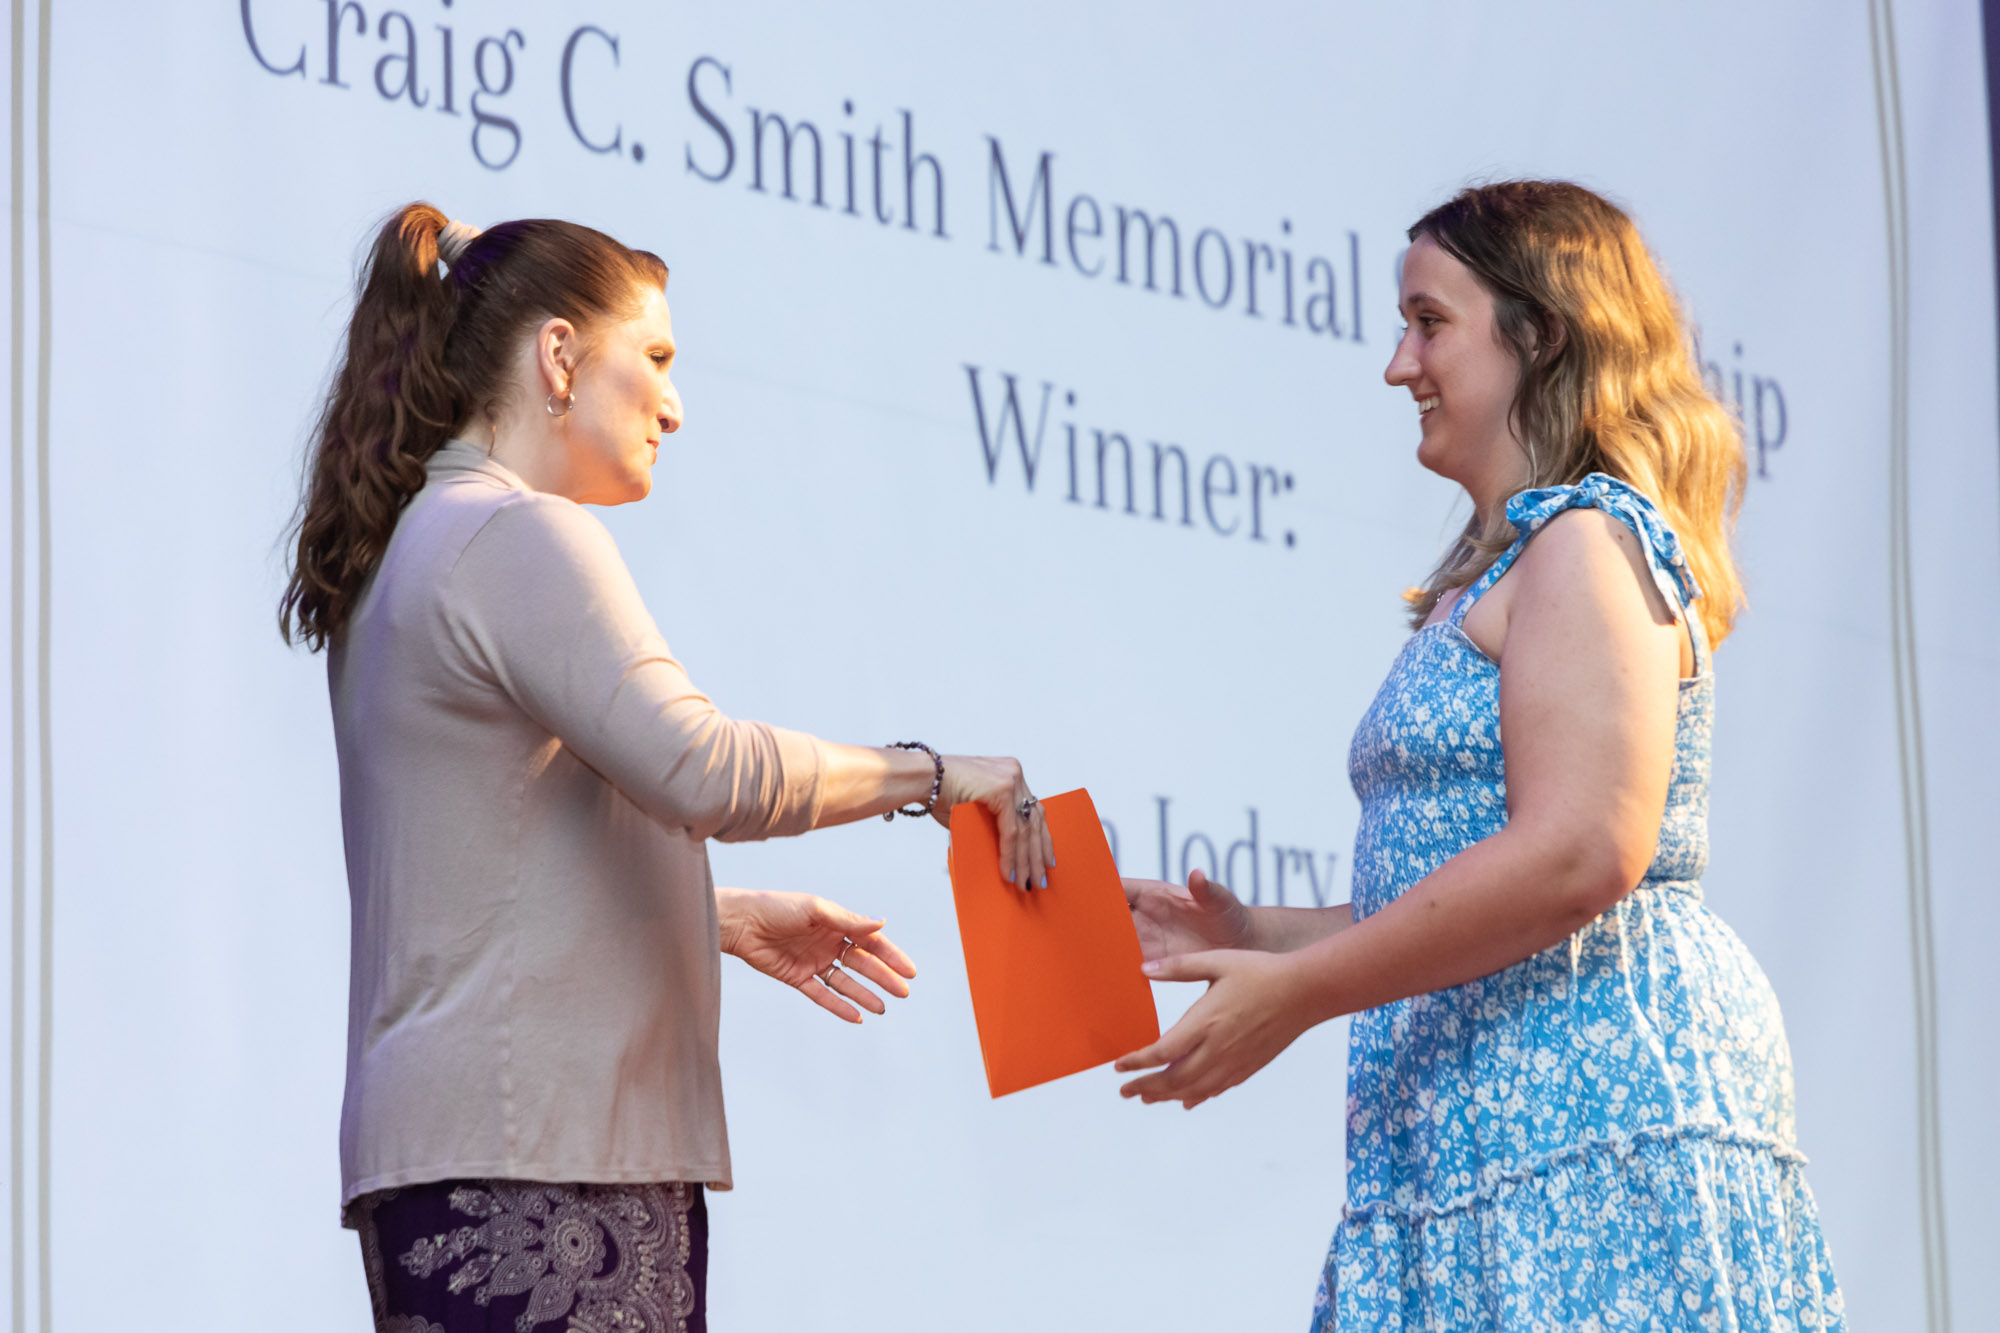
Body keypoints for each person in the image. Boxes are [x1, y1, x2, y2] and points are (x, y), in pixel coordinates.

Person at [280, 202, 1053, 1333]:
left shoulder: (413, 544)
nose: (676, 406)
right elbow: (703, 766)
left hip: (458, 1149)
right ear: (557, 354)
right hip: (543, 1155)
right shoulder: (515, 535)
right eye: (654, 360)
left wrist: (706, 909)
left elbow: (481, 854)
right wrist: (935, 775)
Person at [1116, 181, 1845, 1330]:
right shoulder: (1506, 571)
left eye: (1428, 322)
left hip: (1589, 1104)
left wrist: (1297, 991)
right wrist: (1255, 936)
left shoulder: (1586, 542)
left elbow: (1580, 851)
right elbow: (1461, 883)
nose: (1397, 365)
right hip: (1477, 1110)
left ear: (1537, 332)